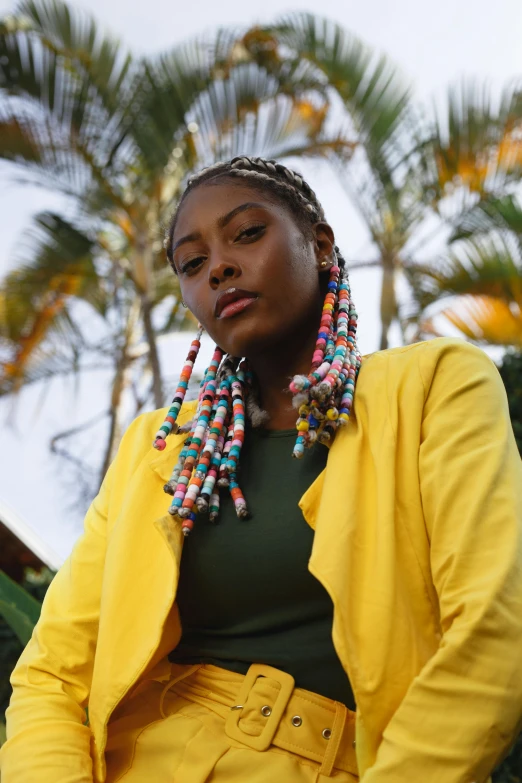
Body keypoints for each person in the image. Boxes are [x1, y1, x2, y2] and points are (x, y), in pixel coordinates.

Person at [1, 156, 522, 783]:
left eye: (247, 233)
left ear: (319, 244)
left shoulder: (433, 387)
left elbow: (496, 627)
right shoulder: (156, 450)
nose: (218, 267)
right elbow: (53, 672)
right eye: (192, 265)